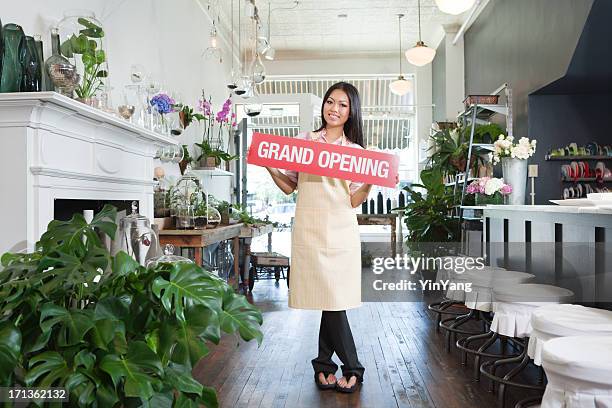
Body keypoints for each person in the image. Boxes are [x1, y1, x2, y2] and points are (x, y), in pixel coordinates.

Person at [262, 82, 395, 393]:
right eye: (330, 102)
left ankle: (350, 367)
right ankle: (325, 366)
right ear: (323, 105)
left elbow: (354, 200)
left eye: (343, 105)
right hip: (309, 228)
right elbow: (289, 186)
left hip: (340, 231)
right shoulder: (304, 142)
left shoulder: (356, 153)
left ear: (351, 112)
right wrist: (268, 165)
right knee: (327, 299)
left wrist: (372, 183)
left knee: (334, 299)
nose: (334, 109)